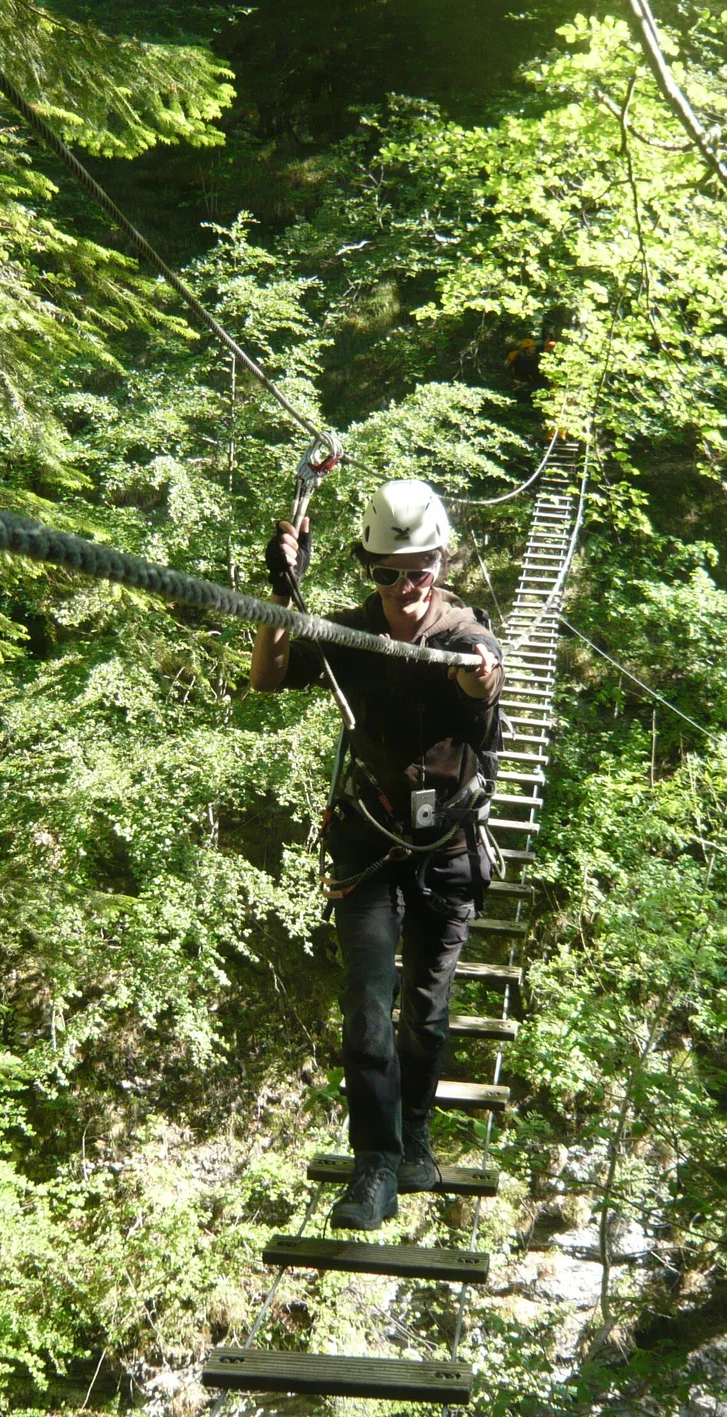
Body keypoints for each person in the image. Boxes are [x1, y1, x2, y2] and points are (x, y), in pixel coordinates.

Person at [251, 479, 504, 1230]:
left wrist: (477, 670)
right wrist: (278, 597)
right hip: (368, 840)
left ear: (441, 561)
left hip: (447, 846)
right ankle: (376, 1164)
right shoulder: (351, 636)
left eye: (418, 569)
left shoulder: (466, 631)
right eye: (387, 573)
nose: (404, 587)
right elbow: (266, 677)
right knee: (368, 1005)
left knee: (425, 1012)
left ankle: (417, 1130)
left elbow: (482, 670)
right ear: (370, 571)